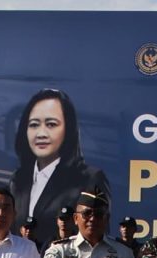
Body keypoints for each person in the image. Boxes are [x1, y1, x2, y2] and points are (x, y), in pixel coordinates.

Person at [12, 89, 105, 247]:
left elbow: (98, 234)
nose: (41, 133)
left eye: (51, 124)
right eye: (34, 125)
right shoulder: (18, 180)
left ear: (68, 129)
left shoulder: (89, 178)